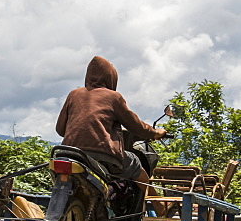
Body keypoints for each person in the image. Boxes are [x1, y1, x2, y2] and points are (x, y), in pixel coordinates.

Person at [55, 56, 166, 186]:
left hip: (69, 153)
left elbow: (60, 130)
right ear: (111, 78)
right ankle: (157, 206)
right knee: (136, 165)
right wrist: (155, 133)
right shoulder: (113, 97)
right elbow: (136, 126)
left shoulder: (73, 94)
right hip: (103, 155)